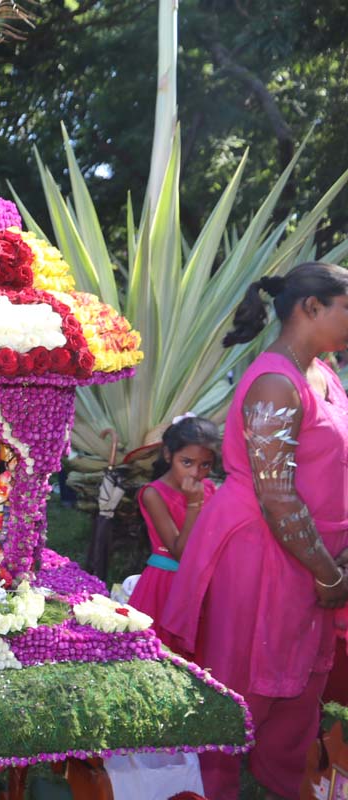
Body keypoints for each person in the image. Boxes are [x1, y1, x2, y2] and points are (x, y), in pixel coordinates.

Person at [160, 262, 348, 800]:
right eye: (347, 306)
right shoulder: (274, 380)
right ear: (311, 308)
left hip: (312, 557)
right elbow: (277, 494)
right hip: (264, 553)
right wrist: (329, 573)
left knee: (300, 687)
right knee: (240, 687)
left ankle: (281, 783)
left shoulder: (324, 371)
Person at [126, 415, 219, 650]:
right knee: (161, 653)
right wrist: (193, 505)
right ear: (168, 455)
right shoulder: (153, 494)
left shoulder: (209, 488)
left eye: (205, 465)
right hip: (166, 586)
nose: (196, 473)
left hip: (199, 584)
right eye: (186, 462)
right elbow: (181, 552)